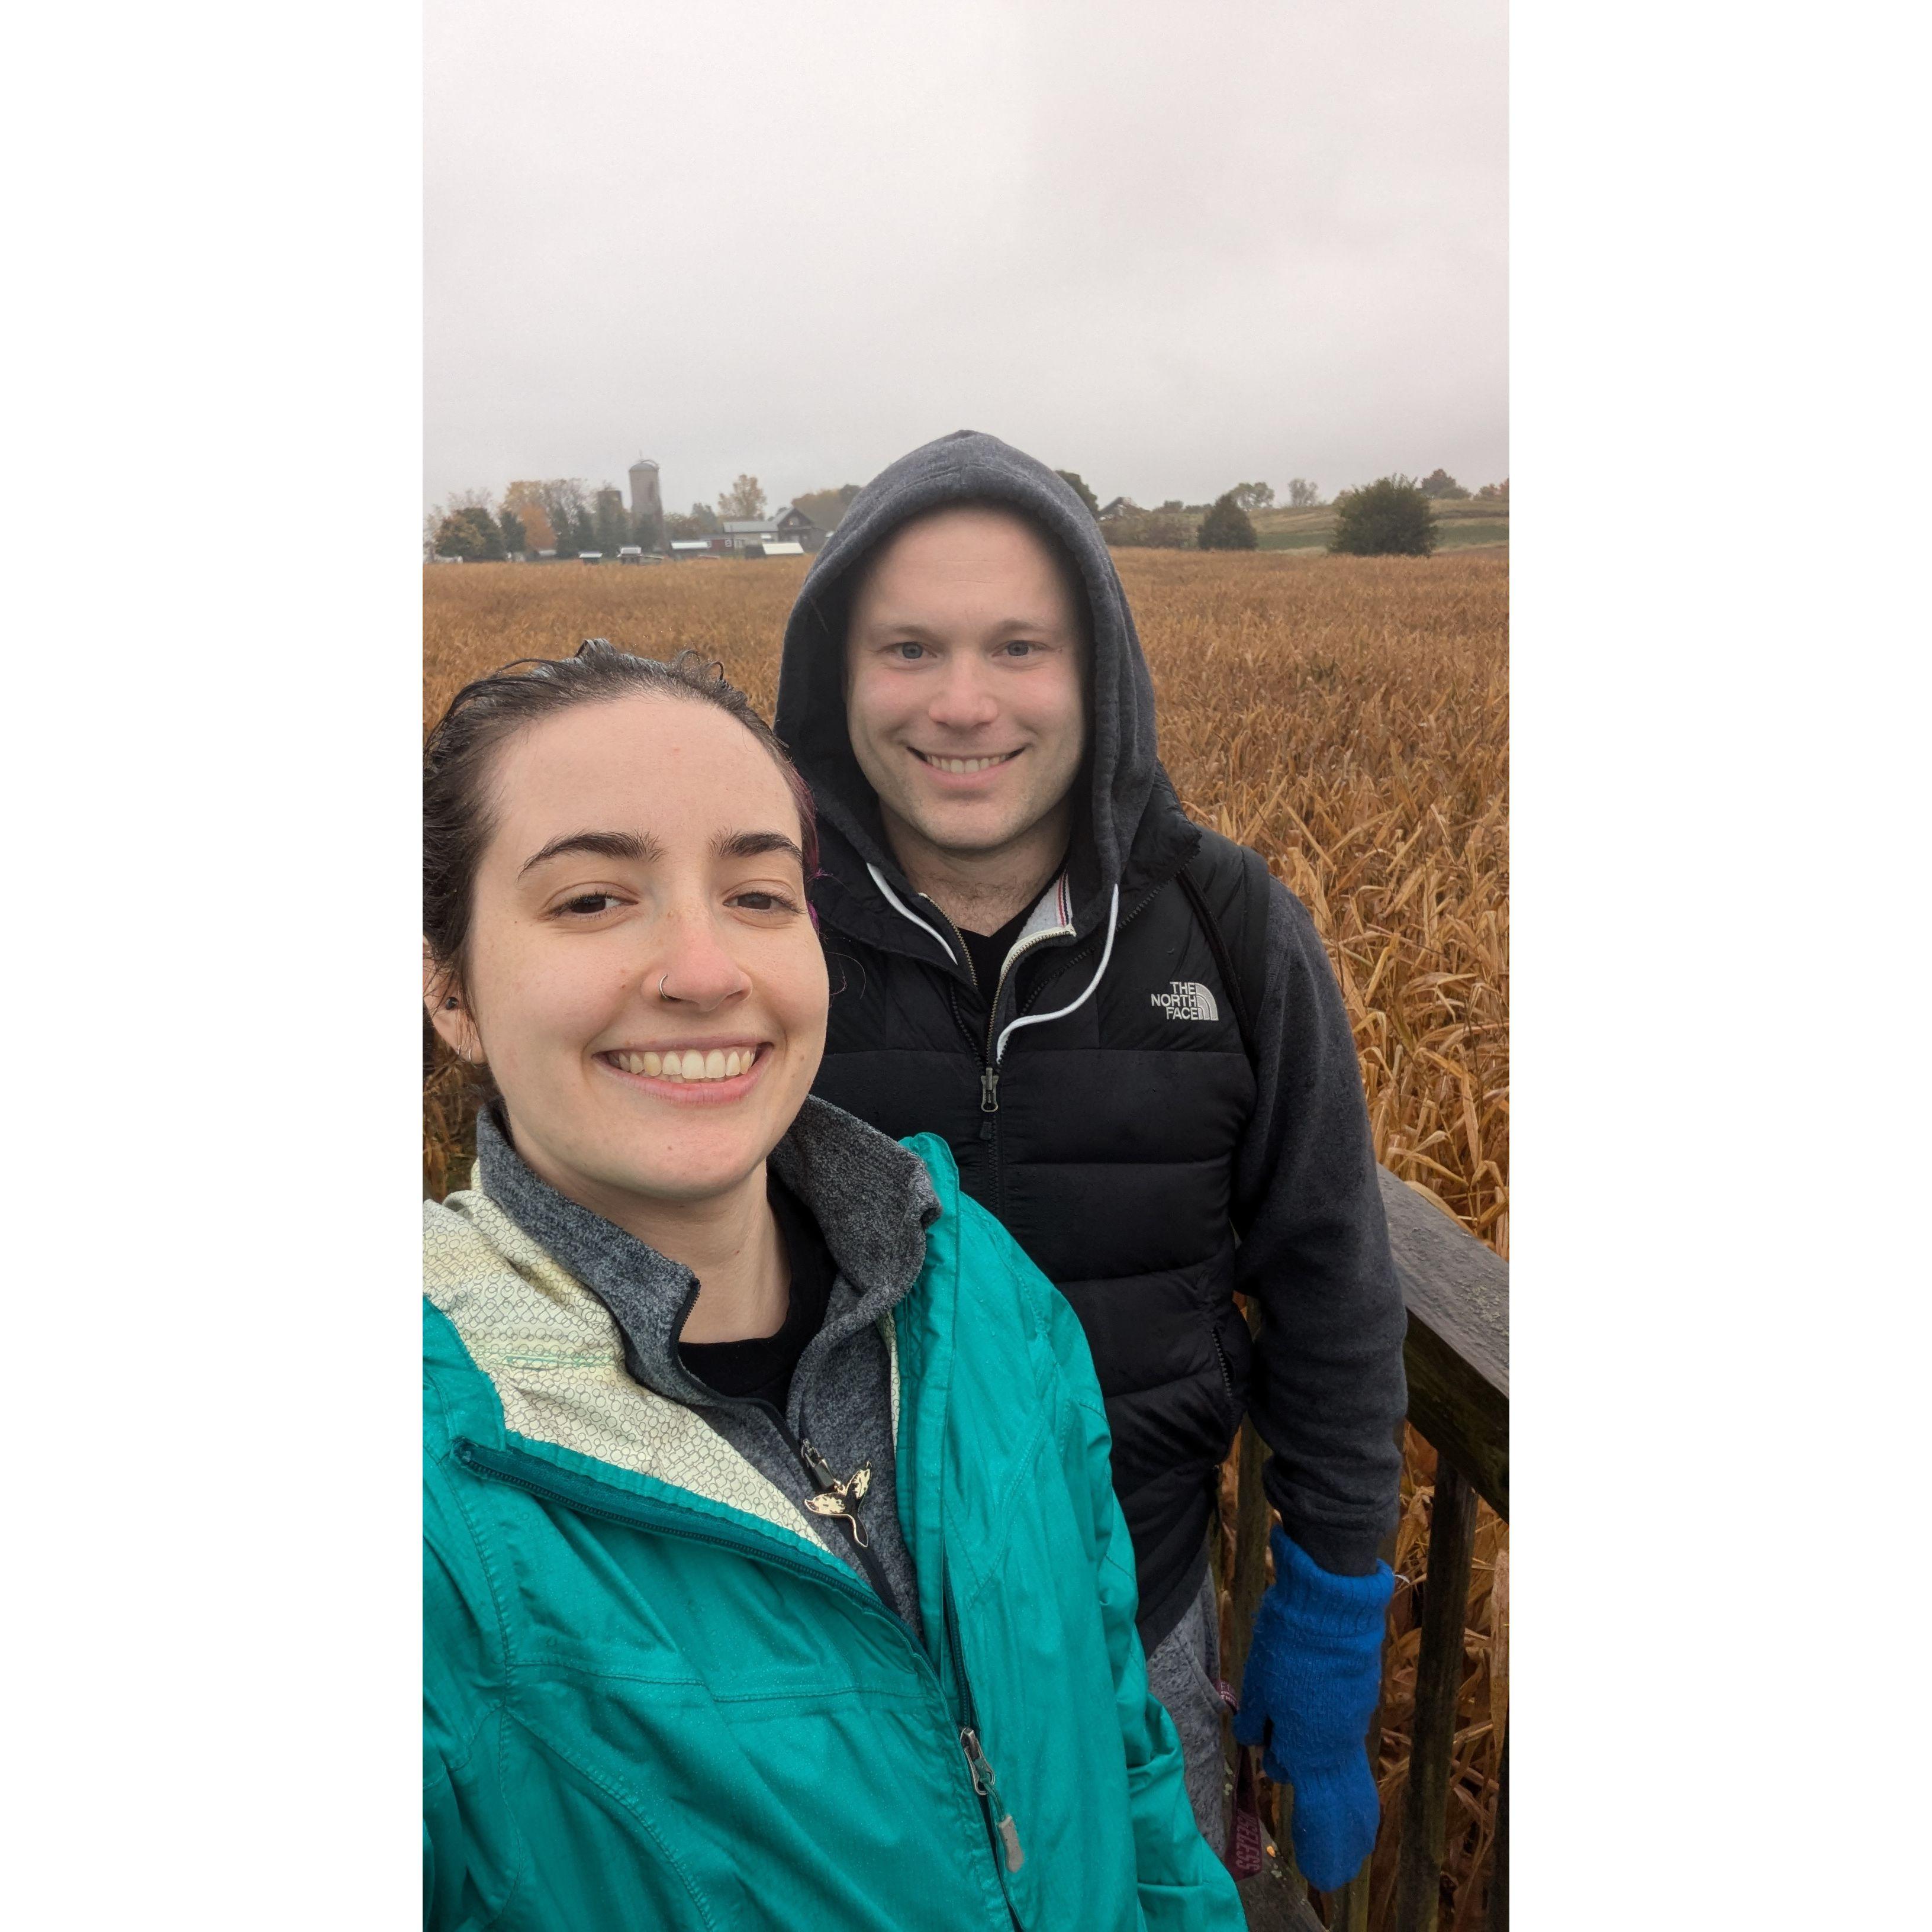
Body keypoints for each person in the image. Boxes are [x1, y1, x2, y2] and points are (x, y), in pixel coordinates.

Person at [421, 640, 1244, 1931]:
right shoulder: (429, 1484)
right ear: (450, 989)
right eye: (591, 900)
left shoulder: (983, 1299)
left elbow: (1125, 1759)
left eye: (757, 894)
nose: (704, 969)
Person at [772, 432, 1409, 1887]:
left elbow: (1331, 1282)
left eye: (1020, 647)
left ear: (1099, 672)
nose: (964, 703)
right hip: (827, 1652)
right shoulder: (756, 926)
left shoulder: (1233, 930)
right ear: (836, 676)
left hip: (1141, 1621)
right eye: (909, 648)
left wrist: (1328, 1620)